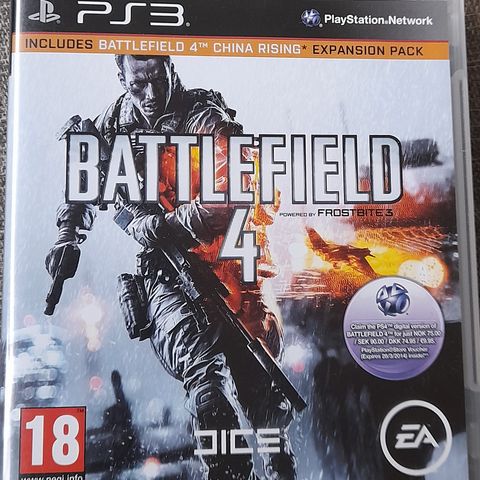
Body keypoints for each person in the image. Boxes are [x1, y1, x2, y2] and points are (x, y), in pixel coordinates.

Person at [46, 54, 296, 479]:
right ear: (122, 77)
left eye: (157, 81)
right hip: (168, 273)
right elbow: (82, 183)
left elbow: (232, 190)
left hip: (231, 262)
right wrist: (68, 235)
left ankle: (278, 465)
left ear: (171, 71)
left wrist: (165, 226)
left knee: (263, 396)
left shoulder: (203, 118)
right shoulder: (113, 126)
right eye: (138, 84)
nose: (150, 94)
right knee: (207, 391)